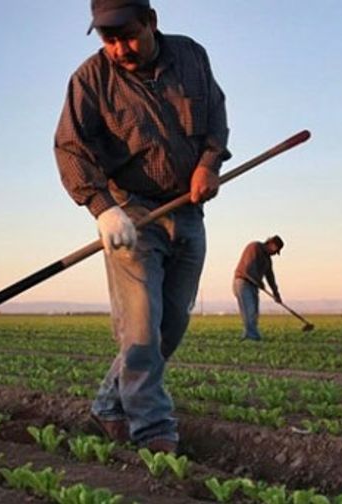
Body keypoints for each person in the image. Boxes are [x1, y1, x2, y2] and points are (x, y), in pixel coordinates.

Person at [54, 0, 229, 453]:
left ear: (151, 21)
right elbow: (70, 148)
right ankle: (152, 429)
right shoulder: (90, 80)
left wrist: (209, 163)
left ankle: (108, 406)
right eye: (108, 39)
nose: (119, 49)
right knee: (141, 327)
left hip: (187, 209)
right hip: (131, 213)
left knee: (171, 325)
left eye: (128, 36)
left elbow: (215, 114)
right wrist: (103, 208)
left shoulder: (191, 56)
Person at [233, 236, 284, 341]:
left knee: (254, 313)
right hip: (243, 282)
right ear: (271, 244)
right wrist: (259, 282)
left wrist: (276, 293)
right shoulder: (255, 247)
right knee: (249, 311)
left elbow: (270, 277)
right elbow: (249, 267)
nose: (275, 254)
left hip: (253, 285)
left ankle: (248, 335)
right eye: (276, 250)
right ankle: (253, 337)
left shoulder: (268, 260)